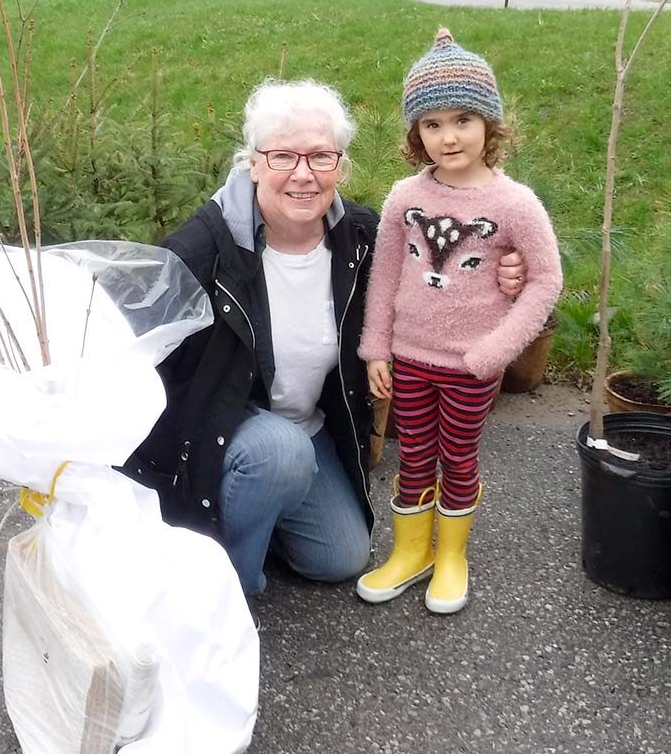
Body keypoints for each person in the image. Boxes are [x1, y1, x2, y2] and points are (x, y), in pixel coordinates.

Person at [124, 79, 527, 598]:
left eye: (320, 157)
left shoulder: (360, 237)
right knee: (279, 454)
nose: (303, 175)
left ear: (340, 165)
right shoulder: (204, 247)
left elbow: (435, 286)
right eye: (283, 156)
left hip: (304, 429)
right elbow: (136, 347)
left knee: (341, 557)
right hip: (219, 432)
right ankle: (225, 590)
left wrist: (502, 272)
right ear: (253, 163)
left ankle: (256, 503)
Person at [356, 28, 562, 614]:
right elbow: (386, 277)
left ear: (490, 124)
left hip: (472, 364)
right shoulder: (403, 198)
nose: (449, 137)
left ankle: (451, 557)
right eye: (432, 124)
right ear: (415, 134)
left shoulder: (513, 204)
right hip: (409, 360)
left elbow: (545, 280)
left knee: (459, 456)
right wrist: (376, 349)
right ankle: (410, 552)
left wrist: (495, 352)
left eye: (463, 119)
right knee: (413, 453)